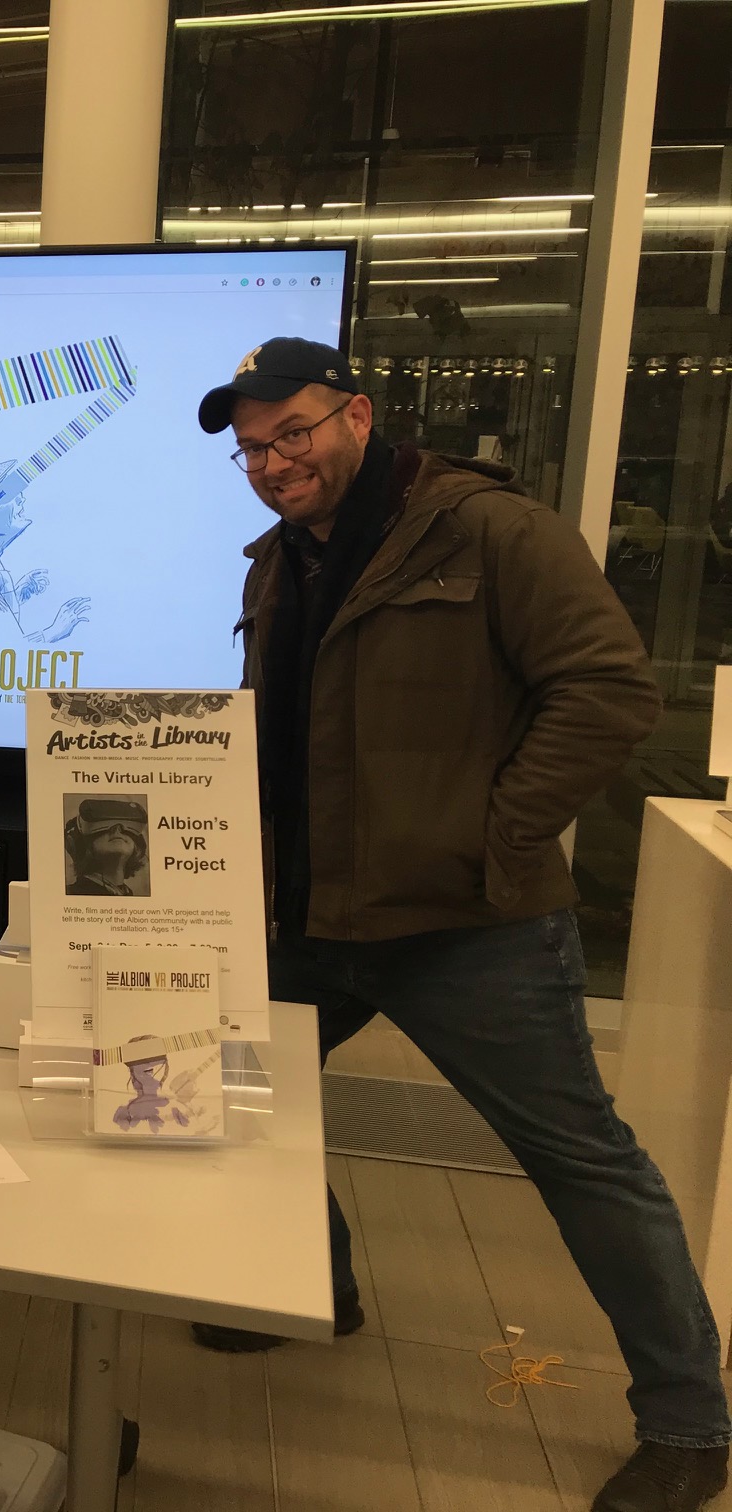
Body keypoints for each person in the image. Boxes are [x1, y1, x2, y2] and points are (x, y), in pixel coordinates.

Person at [196, 336, 729, 1512]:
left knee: (581, 1160)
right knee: (242, 1096)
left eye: (293, 432)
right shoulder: (280, 561)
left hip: (468, 925)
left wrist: (493, 836)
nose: (274, 460)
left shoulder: (491, 532)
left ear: (357, 415)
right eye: (251, 448)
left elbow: (610, 692)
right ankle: (313, 1288)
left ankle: (691, 1423)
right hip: (314, 913)